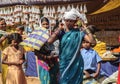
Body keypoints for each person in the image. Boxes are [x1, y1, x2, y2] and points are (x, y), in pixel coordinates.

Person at [47, 8, 96, 84]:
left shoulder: (79, 34)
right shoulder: (61, 33)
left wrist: (85, 28)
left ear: (75, 21)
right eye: (67, 20)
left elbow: (93, 42)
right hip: (64, 62)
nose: (69, 23)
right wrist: (59, 28)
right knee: (64, 81)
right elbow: (49, 41)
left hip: (76, 62)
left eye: (71, 21)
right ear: (64, 21)